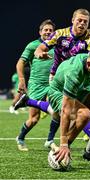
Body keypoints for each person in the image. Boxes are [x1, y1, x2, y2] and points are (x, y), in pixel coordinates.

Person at [14, 46, 90, 167]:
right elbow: (66, 110)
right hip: (57, 92)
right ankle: (61, 152)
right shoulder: (74, 72)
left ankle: (89, 152)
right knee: (84, 114)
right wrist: (63, 144)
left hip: (77, 90)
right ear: (88, 64)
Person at [33, 8, 90, 156]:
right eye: (79, 20)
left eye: (85, 22)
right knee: (77, 114)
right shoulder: (60, 34)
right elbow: (40, 48)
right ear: (73, 20)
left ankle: (88, 149)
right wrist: (40, 53)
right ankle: (64, 146)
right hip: (59, 79)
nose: (82, 24)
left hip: (80, 79)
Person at [15, 19, 56, 151]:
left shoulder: (57, 46)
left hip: (52, 85)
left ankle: (50, 140)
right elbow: (20, 63)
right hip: (36, 85)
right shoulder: (33, 45)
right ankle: (20, 138)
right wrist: (22, 80)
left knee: (57, 112)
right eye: (46, 30)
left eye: (50, 30)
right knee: (34, 118)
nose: (48, 32)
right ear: (40, 32)